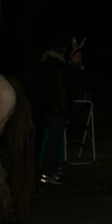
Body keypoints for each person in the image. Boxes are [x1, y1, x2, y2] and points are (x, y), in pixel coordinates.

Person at [37, 38, 77, 184]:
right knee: (54, 141)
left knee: (51, 140)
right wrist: (66, 114)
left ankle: (51, 168)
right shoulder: (60, 68)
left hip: (45, 109)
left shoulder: (44, 65)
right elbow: (62, 94)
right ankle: (48, 172)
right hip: (55, 111)